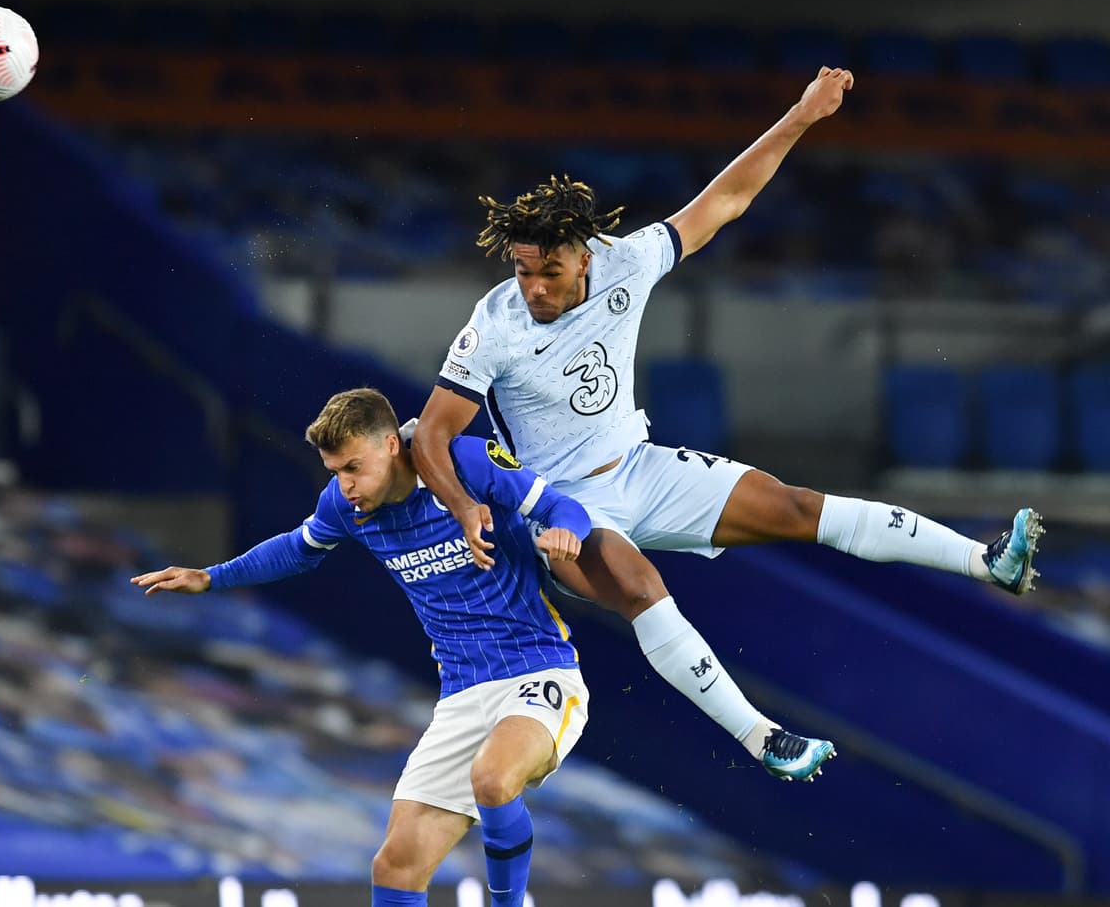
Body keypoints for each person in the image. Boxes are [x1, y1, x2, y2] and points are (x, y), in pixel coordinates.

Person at [410, 67, 1043, 784]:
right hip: (559, 506)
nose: (533, 288)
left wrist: (803, 115)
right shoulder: (495, 324)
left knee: (795, 507)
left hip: (638, 466)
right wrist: (465, 508)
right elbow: (432, 435)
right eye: (523, 271)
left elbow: (728, 199)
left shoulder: (627, 261)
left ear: (585, 257)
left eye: (547, 272)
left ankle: (987, 562)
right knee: (641, 585)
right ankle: (762, 737)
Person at [132, 387, 592, 907]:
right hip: (462, 694)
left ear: (392, 445)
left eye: (353, 467)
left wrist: (565, 533)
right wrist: (211, 576)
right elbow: (297, 549)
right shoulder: (345, 505)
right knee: (395, 866)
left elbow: (561, 507)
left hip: (538, 670)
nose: (345, 485)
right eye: (335, 472)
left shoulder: (463, 461)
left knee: (492, 778)